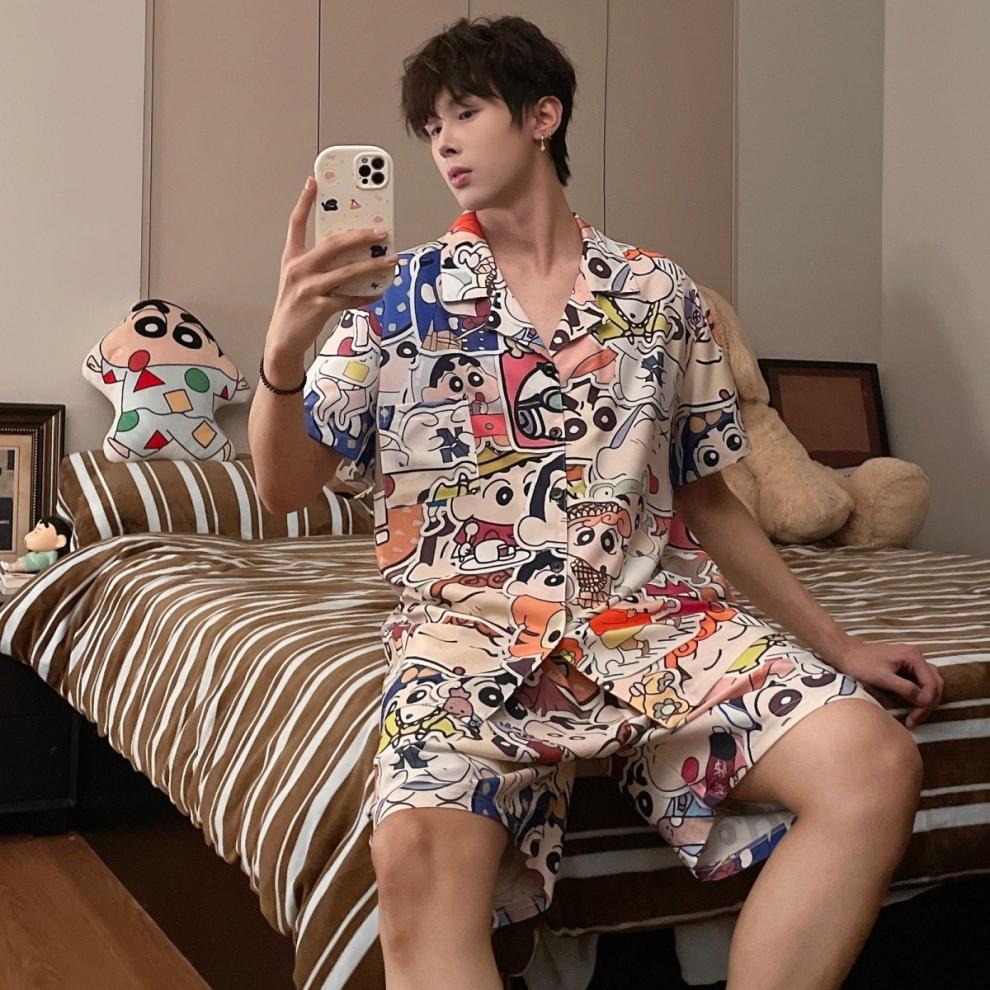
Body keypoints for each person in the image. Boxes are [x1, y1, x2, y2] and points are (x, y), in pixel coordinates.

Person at [249, 15, 943, 990]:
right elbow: (282, 488)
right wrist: (282, 358)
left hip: (657, 623)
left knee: (874, 765)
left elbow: (709, 497)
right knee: (414, 860)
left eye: (465, 112)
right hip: (471, 633)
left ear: (543, 115)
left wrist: (837, 644)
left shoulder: (661, 294)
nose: (443, 141)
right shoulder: (392, 298)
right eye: (430, 126)